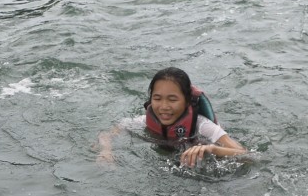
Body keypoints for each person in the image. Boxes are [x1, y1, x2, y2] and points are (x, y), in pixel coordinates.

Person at [96, 67, 247, 167]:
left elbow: (247, 155)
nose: (164, 106)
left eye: (172, 99)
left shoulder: (202, 126)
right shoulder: (142, 122)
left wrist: (212, 149)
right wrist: (106, 151)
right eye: (157, 98)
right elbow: (107, 134)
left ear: (187, 101)